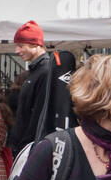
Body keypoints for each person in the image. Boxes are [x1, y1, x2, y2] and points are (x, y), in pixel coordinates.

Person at [8, 21, 74, 154]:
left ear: (35, 44)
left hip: (30, 148)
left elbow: (39, 116)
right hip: (26, 147)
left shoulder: (44, 72)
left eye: (20, 45)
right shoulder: (36, 71)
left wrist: (25, 147)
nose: (17, 50)